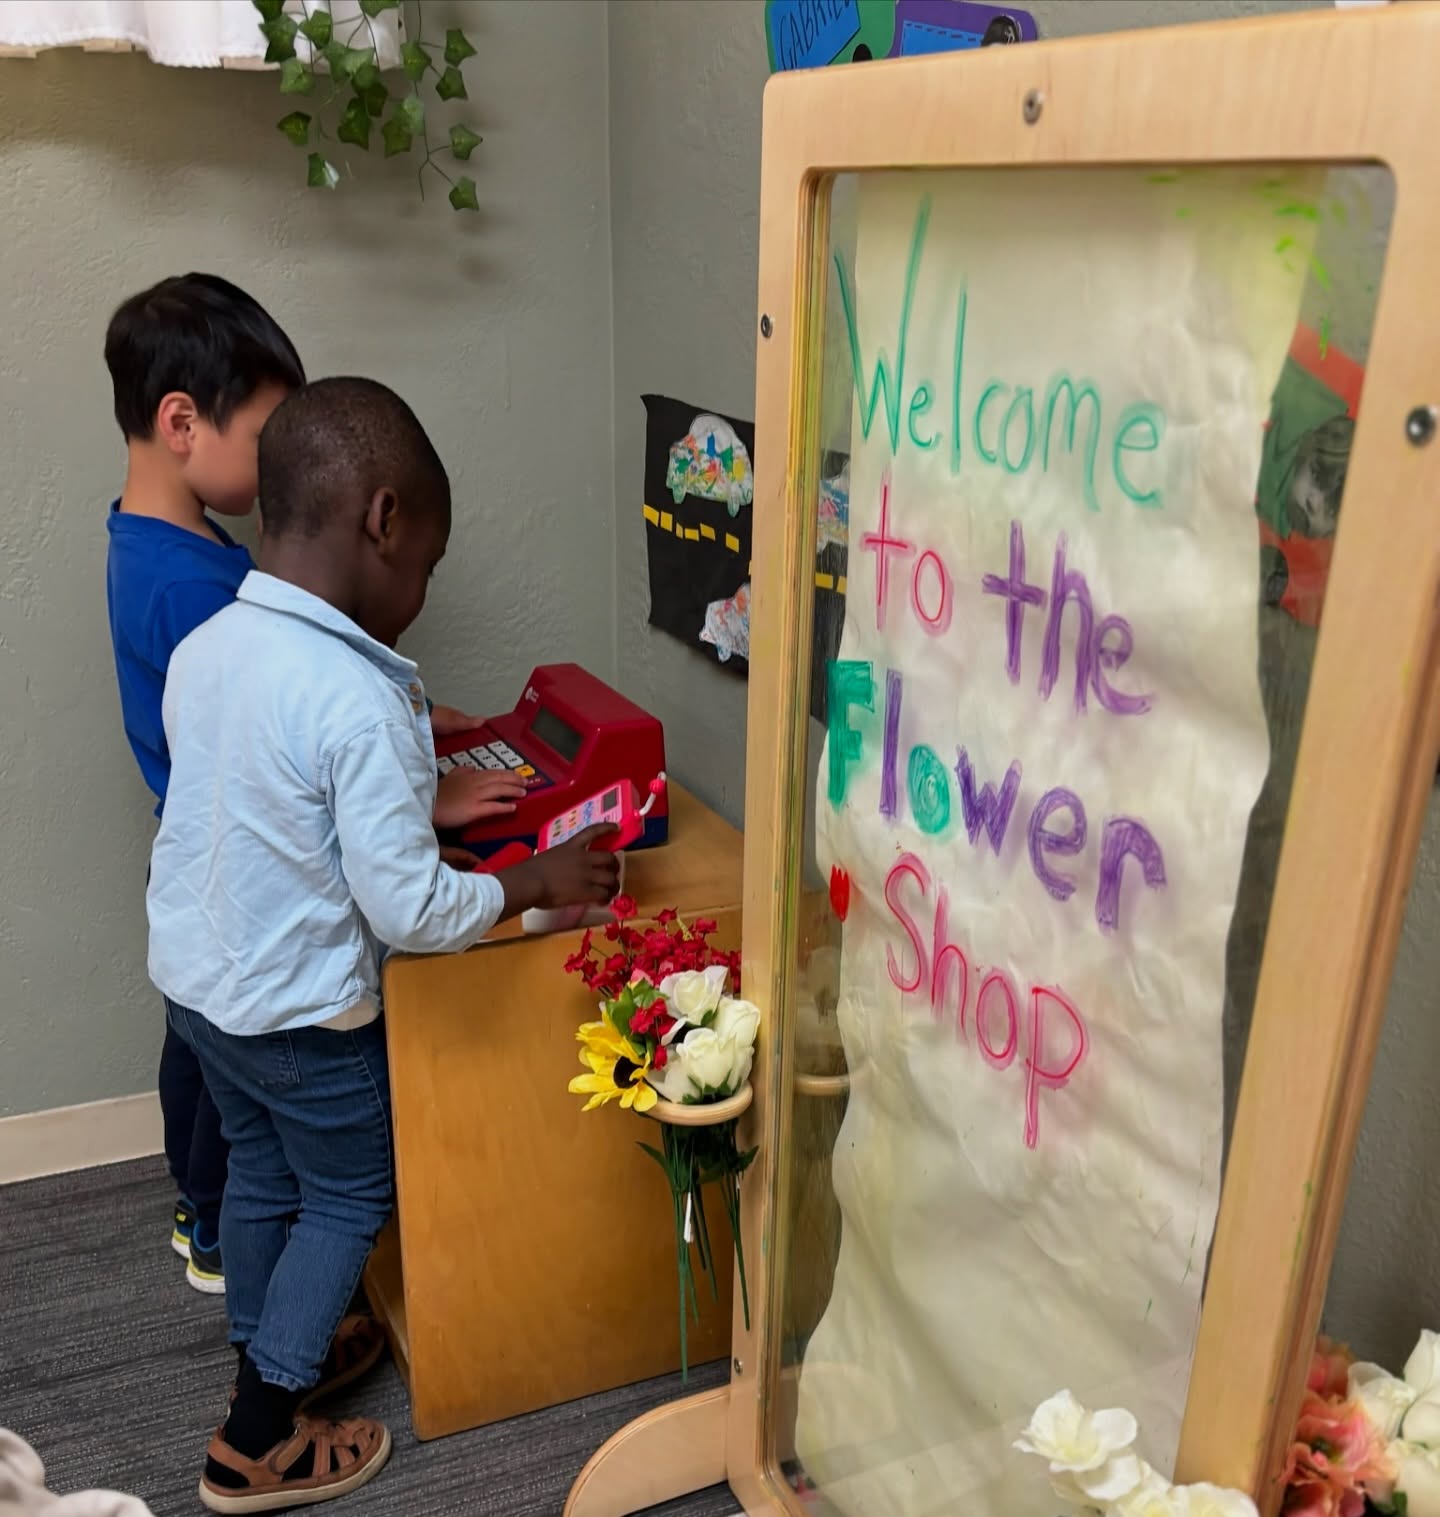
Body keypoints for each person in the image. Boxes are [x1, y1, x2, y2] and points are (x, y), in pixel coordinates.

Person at [148, 377, 619, 1510]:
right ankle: (258, 1432)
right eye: (429, 565)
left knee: (263, 1169)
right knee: (353, 1194)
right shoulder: (361, 699)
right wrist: (527, 884)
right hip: (305, 1018)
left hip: (200, 992)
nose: (419, 592)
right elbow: (409, 911)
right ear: (385, 520)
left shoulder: (212, 645)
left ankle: (271, 1344)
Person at [103, 275, 520, 1293]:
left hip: (202, 890)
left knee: (208, 1073)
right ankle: (220, 1242)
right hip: (260, 899)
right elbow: (288, 751)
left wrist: (417, 720)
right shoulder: (194, 588)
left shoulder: (164, 544)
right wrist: (419, 798)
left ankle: (207, 1221)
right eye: (269, 429)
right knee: (268, 1137)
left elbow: (286, 701)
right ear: (182, 421)